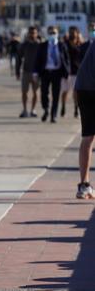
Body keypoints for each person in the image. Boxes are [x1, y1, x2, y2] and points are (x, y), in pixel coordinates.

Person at [34, 25, 70, 123]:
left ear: (57, 34)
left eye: (54, 33)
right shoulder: (43, 45)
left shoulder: (62, 45)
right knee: (44, 93)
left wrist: (67, 73)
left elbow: (66, 60)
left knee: (56, 95)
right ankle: (46, 109)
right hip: (45, 72)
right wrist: (35, 73)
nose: (52, 35)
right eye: (50, 33)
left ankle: (53, 115)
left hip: (57, 73)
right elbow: (38, 60)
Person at [75, 28, 95, 198]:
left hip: (82, 89)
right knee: (89, 138)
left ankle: (84, 185)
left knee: (88, 138)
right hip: (90, 89)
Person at [16, 26, 41, 118]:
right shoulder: (24, 45)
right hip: (26, 71)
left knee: (36, 92)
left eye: (34, 33)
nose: (32, 35)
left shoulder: (40, 45)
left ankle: (33, 110)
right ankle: (25, 110)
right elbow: (19, 58)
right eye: (30, 33)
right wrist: (17, 72)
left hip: (36, 73)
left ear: (37, 34)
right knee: (24, 92)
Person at [61, 26, 84, 118]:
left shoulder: (80, 44)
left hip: (76, 71)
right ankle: (63, 106)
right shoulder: (65, 43)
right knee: (65, 91)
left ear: (77, 33)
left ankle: (76, 109)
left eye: (73, 32)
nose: (72, 34)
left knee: (76, 92)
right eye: (70, 32)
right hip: (66, 72)